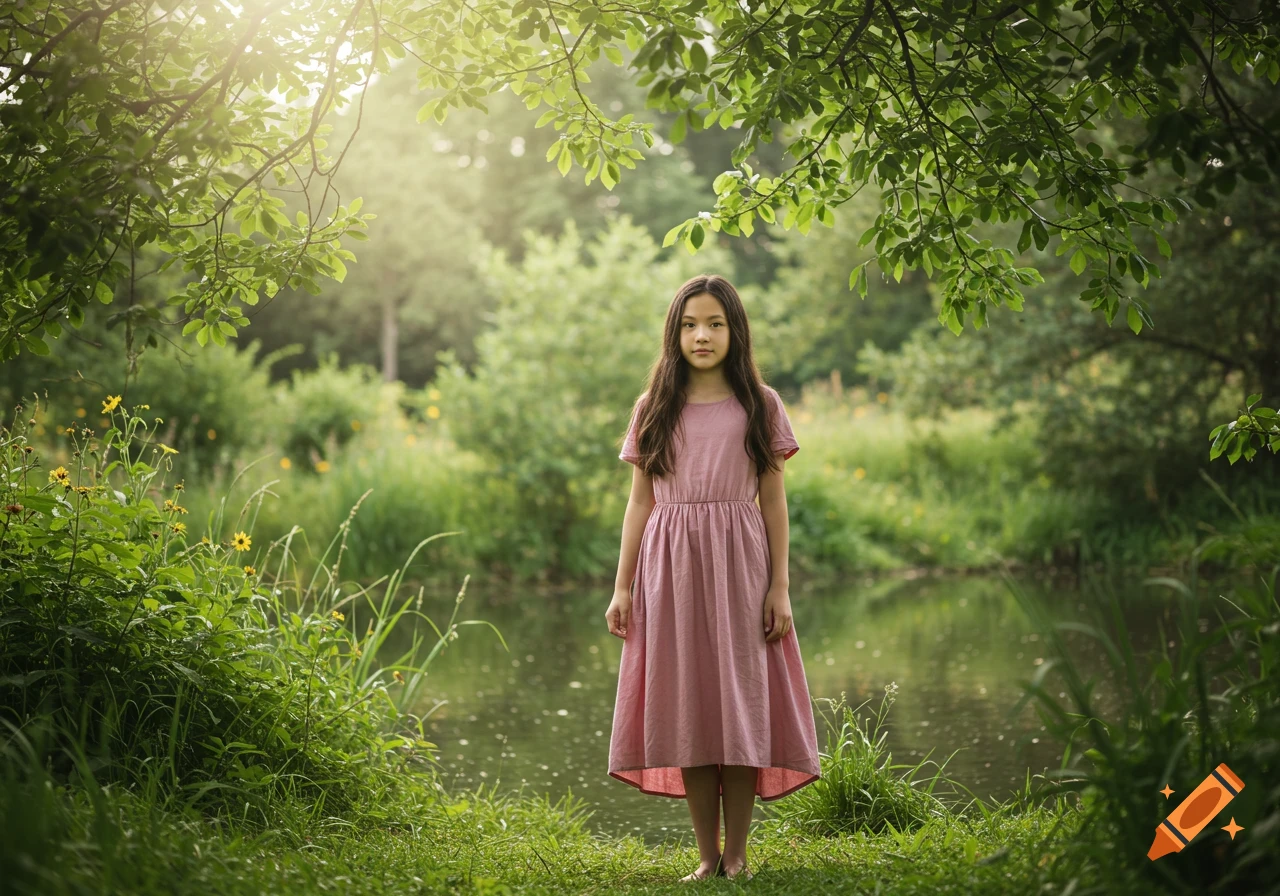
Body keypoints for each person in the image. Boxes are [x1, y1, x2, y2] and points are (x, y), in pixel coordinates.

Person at [605, 274, 821, 882]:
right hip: (668, 570)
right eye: (690, 325)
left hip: (742, 566)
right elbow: (640, 504)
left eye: (715, 324)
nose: (702, 335)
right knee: (689, 709)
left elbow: (774, 501)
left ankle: (738, 854)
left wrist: (779, 586)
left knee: (740, 704)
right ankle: (706, 857)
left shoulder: (760, 403)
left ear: (735, 331)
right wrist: (622, 587)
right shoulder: (653, 407)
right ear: (674, 334)